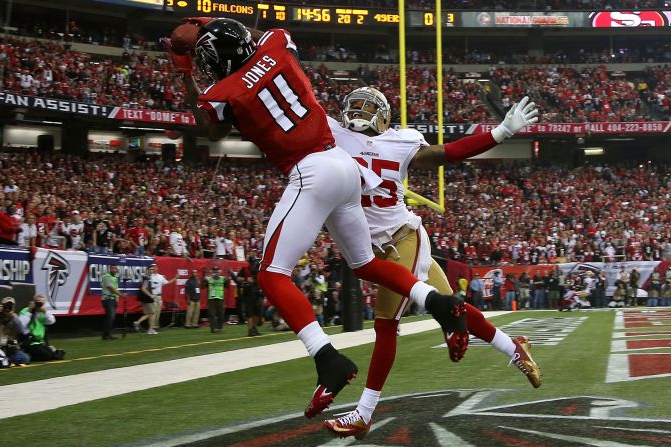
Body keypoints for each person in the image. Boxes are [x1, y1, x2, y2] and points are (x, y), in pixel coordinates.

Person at [180, 17, 467, 418]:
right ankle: (437, 302)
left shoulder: (224, 91)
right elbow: (260, 41)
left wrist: (182, 70)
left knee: (270, 274)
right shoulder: (277, 43)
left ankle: (327, 359)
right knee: (365, 264)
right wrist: (209, 23)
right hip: (343, 164)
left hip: (310, 171)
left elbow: (208, 129)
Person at [323, 87, 541, 438]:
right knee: (455, 308)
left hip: (399, 241)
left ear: (384, 116)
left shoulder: (401, 142)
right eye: (356, 104)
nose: (360, 111)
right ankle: (513, 347)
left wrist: (501, 132)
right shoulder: (331, 131)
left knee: (384, 325)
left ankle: (364, 413)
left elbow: (448, 152)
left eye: (368, 106)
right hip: (375, 250)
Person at [0, 297, 29, 366]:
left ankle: (5, 360)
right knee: (1, 362)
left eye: (10, 306)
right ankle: (3, 360)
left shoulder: (13, 317)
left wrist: (13, 317)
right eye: (6, 305)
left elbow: (21, 330)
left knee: (24, 358)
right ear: (1, 306)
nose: (8, 308)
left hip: (6, 348)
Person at [18, 295, 61, 361]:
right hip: (28, 341)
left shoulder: (42, 312)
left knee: (53, 355)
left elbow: (52, 321)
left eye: (41, 303)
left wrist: (45, 312)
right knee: (47, 356)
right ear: (33, 302)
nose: (38, 305)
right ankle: (28, 356)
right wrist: (30, 311)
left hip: (39, 342)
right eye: (37, 302)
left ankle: (30, 355)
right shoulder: (26, 310)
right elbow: (21, 325)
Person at [146, 264, 178, 333]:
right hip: (153, 296)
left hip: (159, 296)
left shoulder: (161, 276)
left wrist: (175, 278)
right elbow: (147, 286)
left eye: (155, 267)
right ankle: (151, 327)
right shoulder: (149, 277)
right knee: (153, 312)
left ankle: (154, 326)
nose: (154, 269)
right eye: (153, 268)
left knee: (158, 312)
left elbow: (168, 282)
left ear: (157, 268)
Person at [204, 266, 228, 333]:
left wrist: (228, 278)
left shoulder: (223, 279)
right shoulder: (208, 279)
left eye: (217, 271)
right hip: (211, 299)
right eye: (214, 271)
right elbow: (203, 286)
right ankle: (213, 328)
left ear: (219, 272)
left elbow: (227, 286)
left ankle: (220, 327)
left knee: (221, 314)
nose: (216, 273)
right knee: (212, 314)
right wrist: (204, 278)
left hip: (220, 298)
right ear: (212, 272)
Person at [134, 267, 157, 334]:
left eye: (153, 269)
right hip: (146, 298)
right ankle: (149, 329)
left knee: (149, 313)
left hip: (145, 298)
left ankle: (138, 323)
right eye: (150, 269)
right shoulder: (146, 278)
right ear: (147, 270)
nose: (152, 270)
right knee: (152, 313)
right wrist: (151, 295)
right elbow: (143, 289)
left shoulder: (147, 277)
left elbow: (145, 287)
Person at [101, 264, 121, 340]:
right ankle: (107, 335)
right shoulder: (107, 277)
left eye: (115, 268)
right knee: (110, 317)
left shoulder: (114, 277)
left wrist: (117, 297)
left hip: (113, 299)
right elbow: (111, 289)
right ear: (110, 269)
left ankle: (107, 334)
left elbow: (114, 288)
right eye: (113, 268)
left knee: (110, 318)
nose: (114, 270)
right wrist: (121, 295)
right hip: (108, 299)